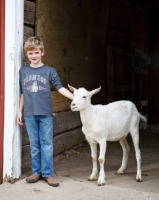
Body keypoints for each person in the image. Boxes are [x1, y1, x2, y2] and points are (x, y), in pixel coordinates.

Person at [17, 36, 74, 187]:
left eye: (36, 52)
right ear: (26, 54)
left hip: (45, 113)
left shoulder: (49, 71)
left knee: (47, 143)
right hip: (29, 113)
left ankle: (48, 173)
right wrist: (19, 111)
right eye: (30, 53)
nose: (33, 56)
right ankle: (37, 172)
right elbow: (23, 93)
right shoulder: (23, 71)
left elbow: (60, 87)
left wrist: (75, 97)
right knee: (34, 144)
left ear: (42, 52)